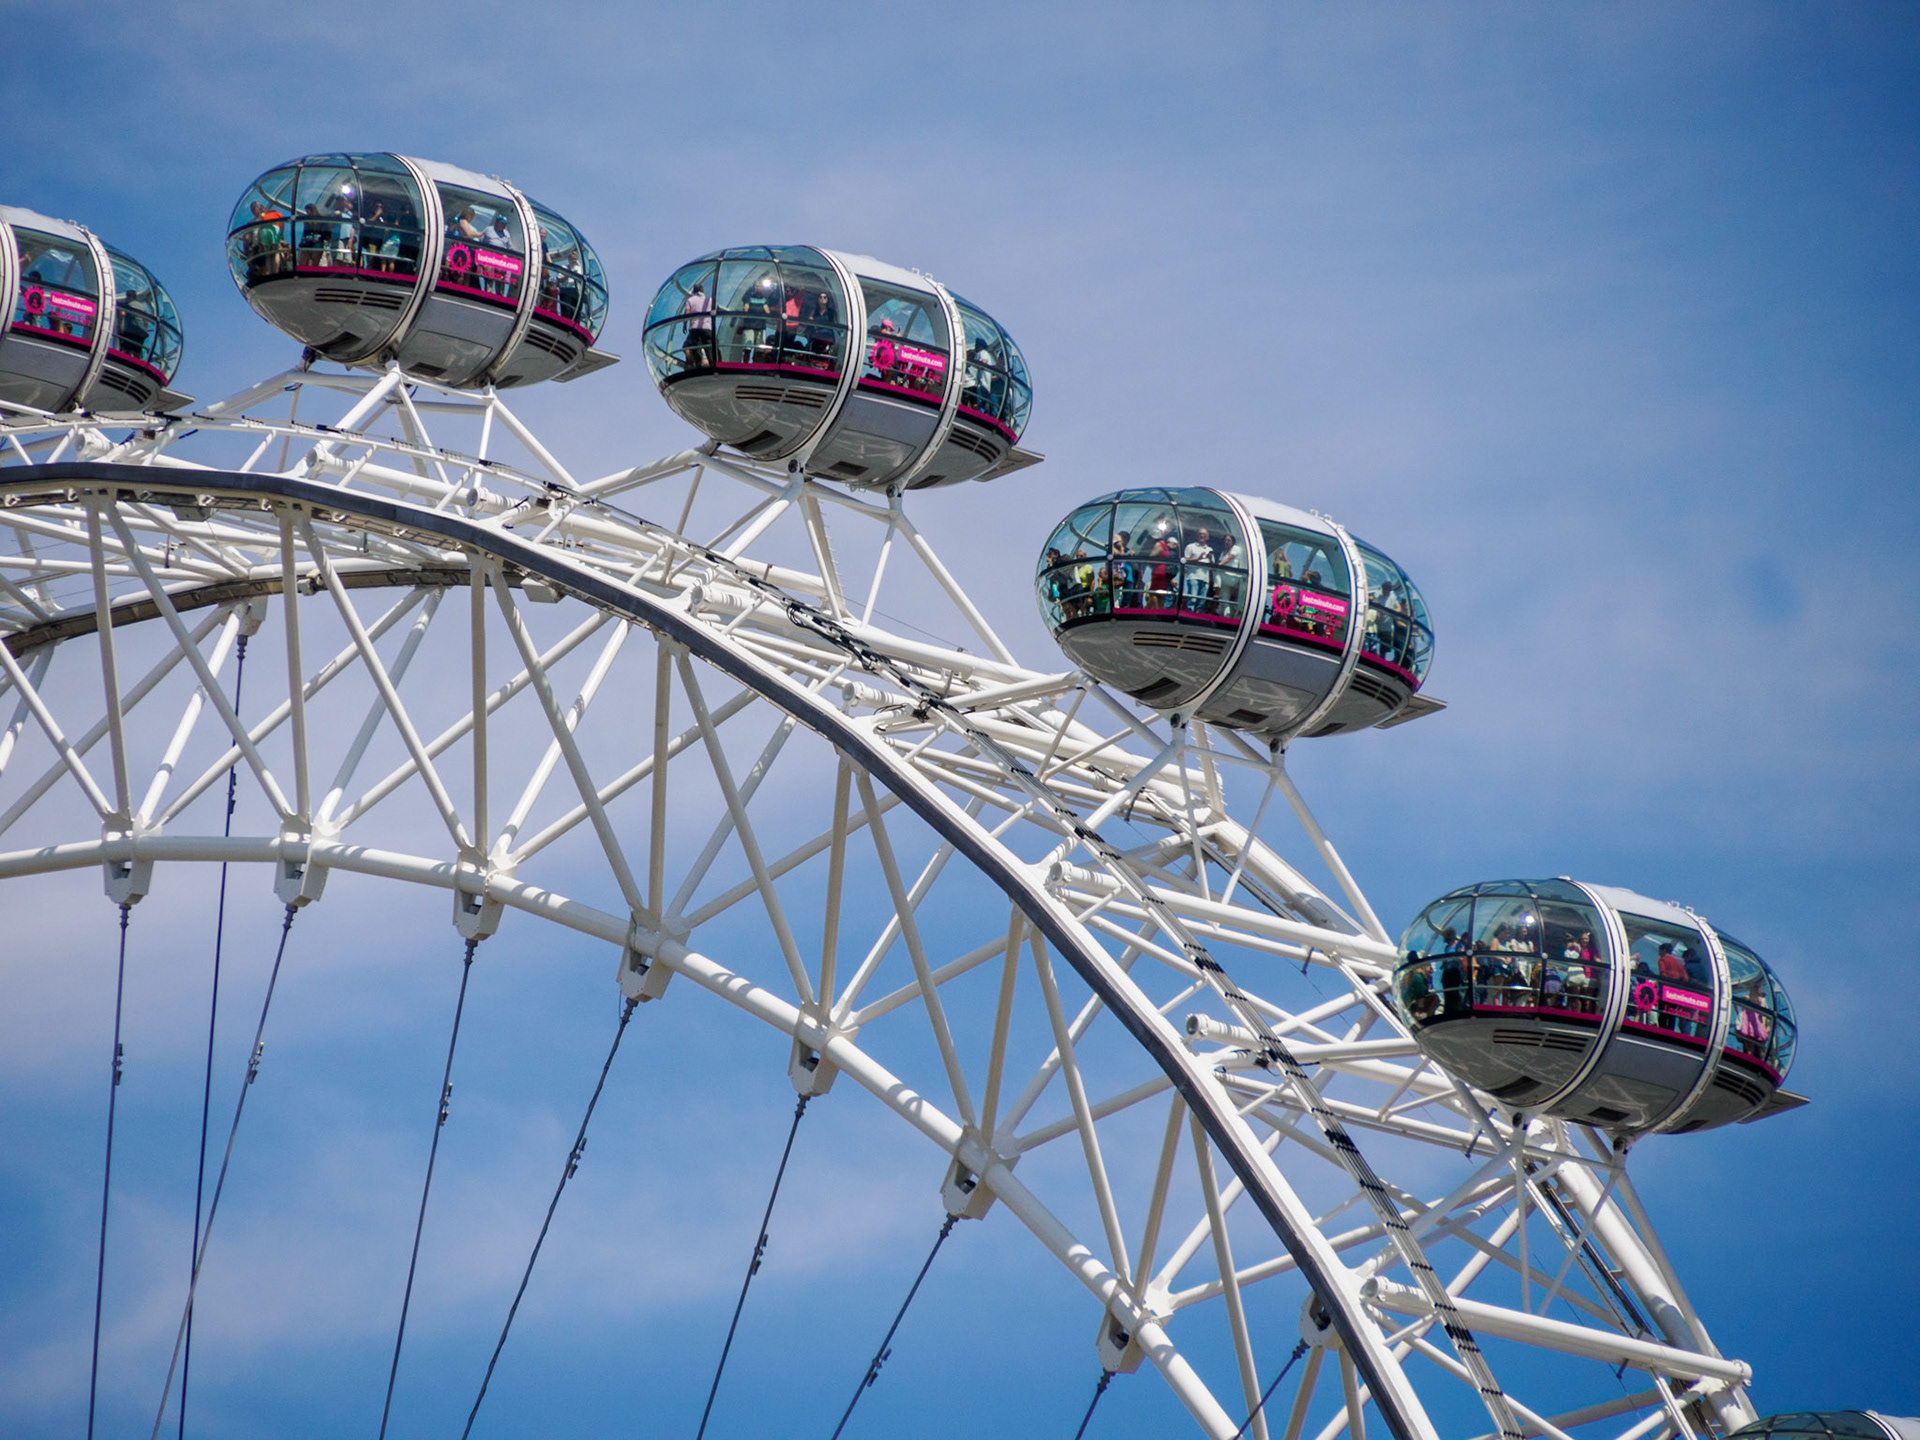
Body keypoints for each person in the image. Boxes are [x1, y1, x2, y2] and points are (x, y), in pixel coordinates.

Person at [1181, 526, 1215, 613]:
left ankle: (1198, 616)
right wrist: (1198, 559)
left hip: (1205, 578)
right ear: (1197, 536)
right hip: (1193, 576)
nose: (1202, 536)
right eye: (1200, 534)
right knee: (1193, 598)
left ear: (1207, 537)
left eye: (1204, 534)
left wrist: (1210, 559)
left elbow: (1213, 566)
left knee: (1202, 601)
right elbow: (1184, 559)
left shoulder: (1210, 549)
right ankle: (1189, 615)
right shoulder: (1190, 546)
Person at [681, 281, 715, 369]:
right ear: (702, 290)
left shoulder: (690, 300)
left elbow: (687, 313)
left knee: (697, 348)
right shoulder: (709, 300)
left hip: (695, 328)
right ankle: (712, 364)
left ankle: (699, 365)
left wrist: (684, 325)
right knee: (709, 348)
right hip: (707, 328)